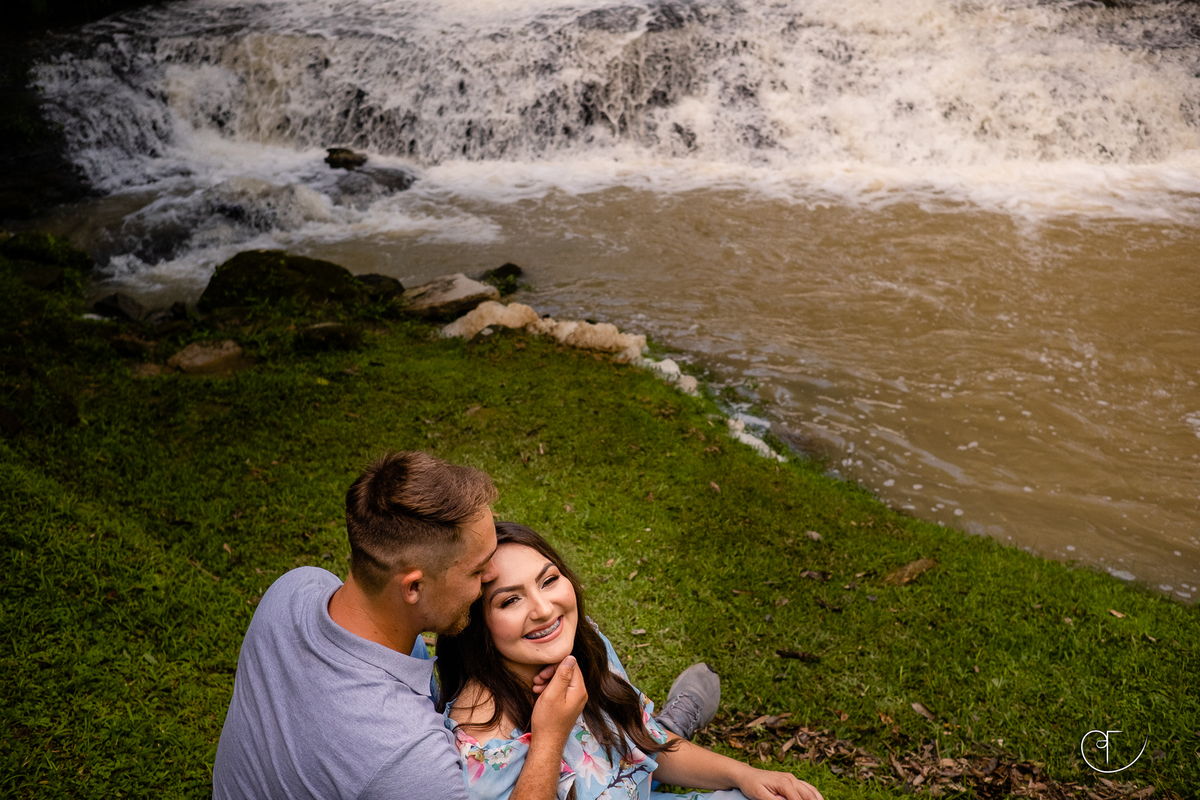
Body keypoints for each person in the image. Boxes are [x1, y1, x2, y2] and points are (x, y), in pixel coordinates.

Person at [213, 451, 587, 800]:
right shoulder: (407, 757)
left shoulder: (295, 590)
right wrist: (550, 737)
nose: (492, 574)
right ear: (413, 587)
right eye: (477, 570)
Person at [435, 522, 825, 800]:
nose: (544, 609)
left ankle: (672, 727)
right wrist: (552, 734)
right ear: (477, 626)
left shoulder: (579, 640)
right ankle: (677, 722)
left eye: (549, 580)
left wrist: (747, 773)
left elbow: (642, 741)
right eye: (510, 600)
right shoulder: (480, 733)